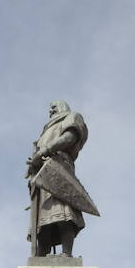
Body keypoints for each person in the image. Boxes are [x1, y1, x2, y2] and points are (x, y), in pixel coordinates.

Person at [25, 100, 97, 257]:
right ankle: (42, 255)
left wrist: (44, 150)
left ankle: (66, 253)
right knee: (43, 218)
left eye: (54, 106)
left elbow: (69, 137)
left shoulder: (71, 117)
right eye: (50, 108)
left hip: (59, 170)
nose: (51, 110)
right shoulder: (45, 130)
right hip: (41, 176)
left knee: (63, 212)